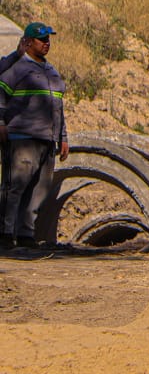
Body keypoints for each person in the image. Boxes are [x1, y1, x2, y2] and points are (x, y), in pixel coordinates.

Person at [0, 22, 69, 249]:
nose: (47, 44)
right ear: (28, 43)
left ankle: (26, 234)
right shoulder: (17, 69)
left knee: (39, 189)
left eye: (48, 39)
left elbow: (57, 106)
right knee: (14, 187)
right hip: (22, 138)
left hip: (47, 139)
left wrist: (63, 138)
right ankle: (5, 233)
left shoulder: (52, 72)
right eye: (42, 40)